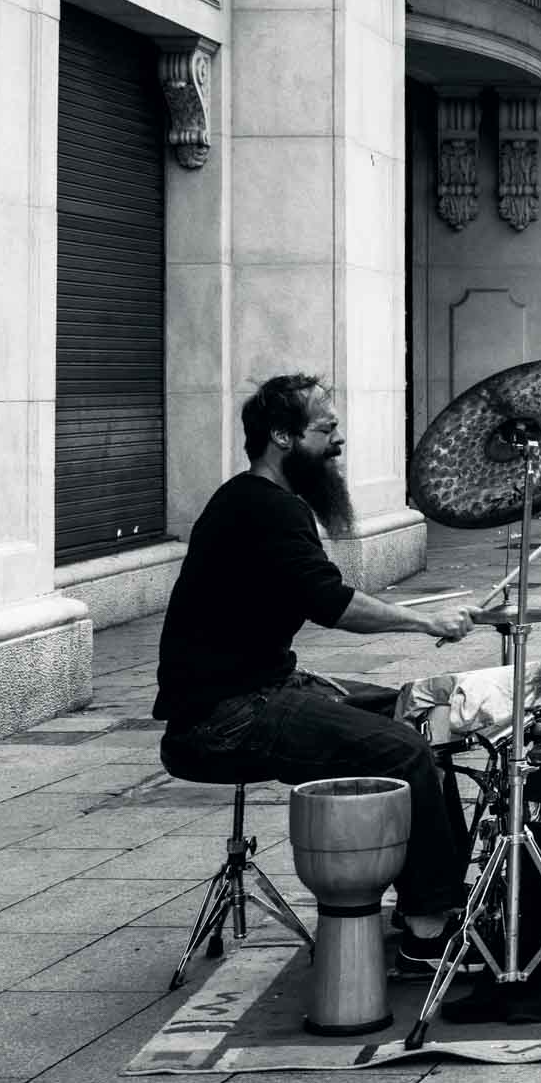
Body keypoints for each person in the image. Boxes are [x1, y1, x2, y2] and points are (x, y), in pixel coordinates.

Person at [156, 375, 477, 975]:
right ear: (282, 436)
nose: (339, 440)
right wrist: (423, 620)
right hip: (225, 713)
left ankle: (428, 898)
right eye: (325, 429)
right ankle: (427, 934)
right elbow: (331, 602)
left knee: (422, 714)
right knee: (404, 750)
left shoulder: (257, 500)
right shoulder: (263, 508)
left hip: (262, 685)